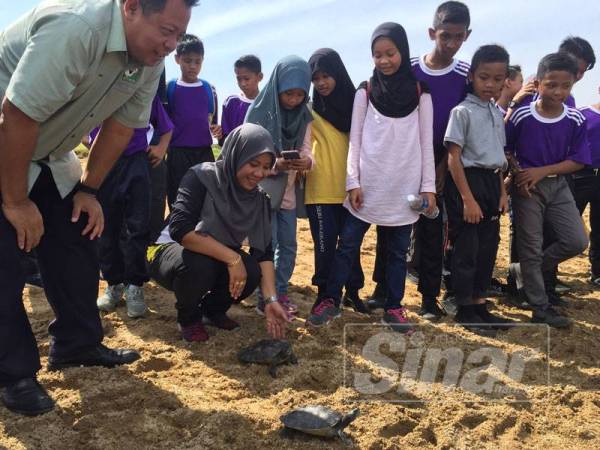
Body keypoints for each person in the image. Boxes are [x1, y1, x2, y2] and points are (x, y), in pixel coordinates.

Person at [0, 0, 195, 417]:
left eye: (178, 35)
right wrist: (15, 201)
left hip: (49, 150)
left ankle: (77, 343)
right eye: (166, 30)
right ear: (131, 8)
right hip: (7, 137)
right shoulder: (77, 29)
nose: (170, 44)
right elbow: (16, 114)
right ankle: (12, 373)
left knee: (77, 233)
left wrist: (88, 190)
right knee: (3, 260)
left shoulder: (149, 59)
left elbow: (123, 126)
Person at [307, 22, 436, 331]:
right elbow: (356, 141)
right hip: (367, 187)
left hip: (405, 189)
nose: (384, 61)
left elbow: (425, 143)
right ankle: (330, 299)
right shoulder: (364, 92)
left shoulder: (421, 93)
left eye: (390, 53)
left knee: (395, 253)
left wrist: (428, 187)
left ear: (402, 52)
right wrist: (352, 181)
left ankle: (394, 307)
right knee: (347, 245)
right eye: (377, 55)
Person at [370, 1, 471, 320]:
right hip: (400, 161)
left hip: (441, 161)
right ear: (432, 33)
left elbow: (463, 123)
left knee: (431, 231)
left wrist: (440, 166)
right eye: (445, 36)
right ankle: (381, 290)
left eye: (459, 37)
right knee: (390, 226)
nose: (452, 44)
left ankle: (429, 296)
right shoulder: (408, 68)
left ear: (467, 35)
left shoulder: (465, 75)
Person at [146, 123, 290, 342]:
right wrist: (233, 259)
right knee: (200, 264)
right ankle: (188, 318)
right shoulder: (202, 176)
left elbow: (264, 253)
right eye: (253, 164)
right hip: (167, 251)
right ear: (237, 155)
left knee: (251, 270)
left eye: (266, 167)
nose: (260, 173)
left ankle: (212, 311)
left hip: (211, 254)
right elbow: (180, 229)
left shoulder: (259, 199)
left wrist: (271, 300)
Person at [506, 52, 590, 328]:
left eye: (565, 86)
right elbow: (506, 149)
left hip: (557, 185)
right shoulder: (521, 116)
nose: (558, 91)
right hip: (526, 188)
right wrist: (518, 171)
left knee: (577, 241)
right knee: (530, 245)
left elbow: (578, 159)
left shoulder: (575, 119)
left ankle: (524, 272)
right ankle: (540, 307)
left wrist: (542, 171)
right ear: (538, 83)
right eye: (551, 84)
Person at [444, 44, 513, 336]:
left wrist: (501, 192)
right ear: (472, 76)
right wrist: (467, 200)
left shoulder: (497, 113)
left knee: (488, 248)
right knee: (467, 249)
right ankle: (464, 307)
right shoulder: (461, 112)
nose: (490, 84)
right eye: (484, 77)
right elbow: (453, 158)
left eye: (498, 79)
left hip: (491, 183)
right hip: (467, 183)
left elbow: (498, 157)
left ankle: (480, 303)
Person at [245, 55, 314, 318]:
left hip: (288, 194)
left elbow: (308, 150)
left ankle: (280, 290)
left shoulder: (305, 115)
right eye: (288, 94)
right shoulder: (259, 112)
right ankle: (265, 295)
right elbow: (248, 158)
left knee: (288, 245)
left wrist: (306, 162)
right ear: (277, 87)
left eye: (300, 94)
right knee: (265, 244)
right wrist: (276, 165)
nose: (294, 100)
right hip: (262, 192)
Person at [94, 95, 174, 318]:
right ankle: (114, 284)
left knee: (138, 226)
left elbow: (166, 128)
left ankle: (135, 286)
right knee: (106, 227)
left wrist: (161, 148)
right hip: (103, 162)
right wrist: (87, 139)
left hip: (137, 162)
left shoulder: (145, 92)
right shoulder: (98, 88)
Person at [304, 48, 367, 314]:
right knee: (325, 246)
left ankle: (353, 292)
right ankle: (324, 295)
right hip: (319, 189)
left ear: (338, 74)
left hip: (350, 188)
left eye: (326, 75)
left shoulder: (357, 105)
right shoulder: (309, 109)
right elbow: (305, 144)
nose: (321, 83)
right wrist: (304, 160)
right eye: (316, 78)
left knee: (351, 245)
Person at [165, 34, 221, 207]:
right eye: (187, 61)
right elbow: (164, 122)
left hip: (204, 153)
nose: (192, 66)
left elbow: (213, 122)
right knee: (178, 200)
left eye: (197, 61)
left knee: (206, 200)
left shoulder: (209, 89)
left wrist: (217, 130)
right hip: (177, 153)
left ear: (203, 61)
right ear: (177, 59)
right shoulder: (170, 88)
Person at [574, 90, 600, 285]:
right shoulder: (581, 113)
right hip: (581, 175)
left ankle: (597, 272)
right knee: (565, 226)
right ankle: (550, 277)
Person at [221, 55, 264, 141]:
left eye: (247, 79)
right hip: (236, 153)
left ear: (259, 77)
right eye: (239, 79)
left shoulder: (268, 103)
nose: (243, 83)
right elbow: (224, 138)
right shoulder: (231, 103)